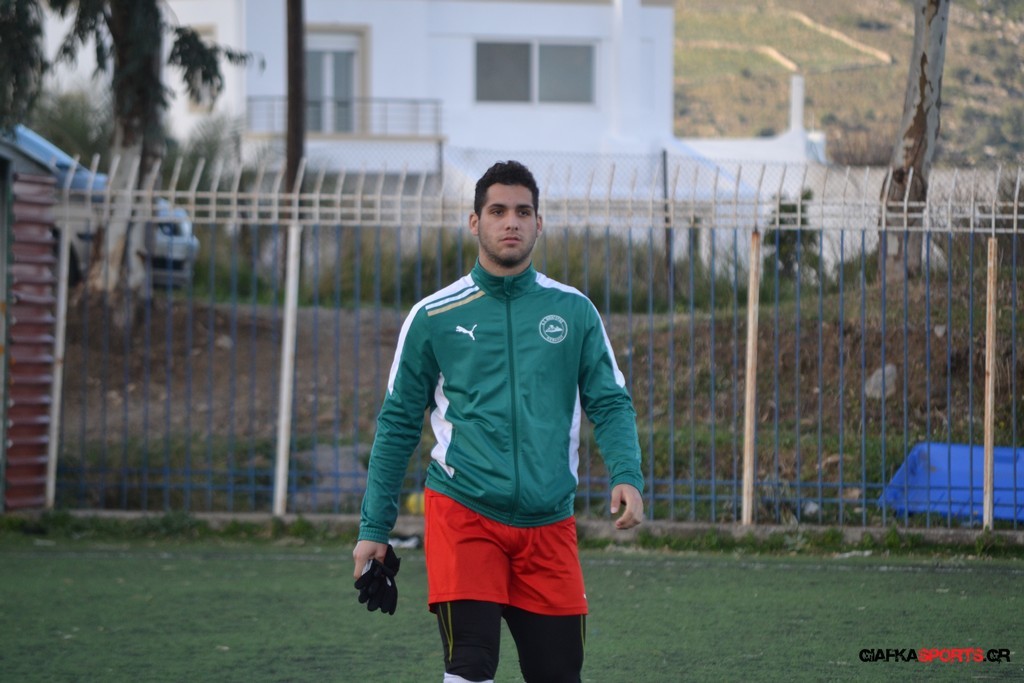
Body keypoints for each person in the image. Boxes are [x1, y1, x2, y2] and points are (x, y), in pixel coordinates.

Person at [352, 160, 645, 683]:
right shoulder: (433, 316)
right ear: (475, 222)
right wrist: (374, 528)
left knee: (559, 674)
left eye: (523, 212)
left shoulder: (574, 311)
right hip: (463, 513)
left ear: (539, 223)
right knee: (469, 666)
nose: (511, 221)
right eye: (498, 211)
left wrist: (626, 472)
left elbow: (610, 401)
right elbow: (397, 424)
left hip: (549, 521)